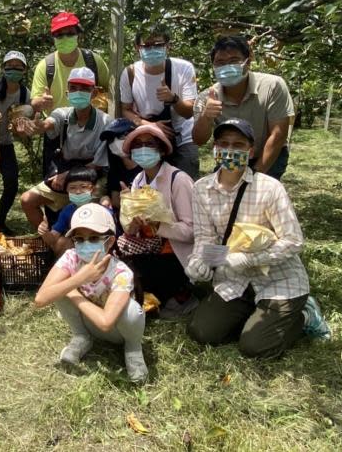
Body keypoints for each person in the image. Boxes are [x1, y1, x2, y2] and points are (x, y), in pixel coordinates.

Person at [185, 118, 330, 358]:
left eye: (238, 145)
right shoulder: (201, 188)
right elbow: (204, 236)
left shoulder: (270, 188)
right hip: (234, 279)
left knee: (254, 347)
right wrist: (197, 261)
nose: (230, 150)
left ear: (251, 151)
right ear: (214, 147)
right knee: (202, 333)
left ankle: (305, 315)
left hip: (278, 279)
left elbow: (293, 241)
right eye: (223, 143)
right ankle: (255, 315)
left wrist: (250, 259)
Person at [35, 203, 148, 383]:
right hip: (87, 323)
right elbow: (40, 299)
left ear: (110, 241)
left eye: (94, 238)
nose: (85, 244)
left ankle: (133, 349)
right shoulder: (71, 257)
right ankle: (81, 337)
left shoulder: (121, 272)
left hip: (117, 331)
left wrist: (72, 291)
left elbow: (106, 323)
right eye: (79, 239)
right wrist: (78, 279)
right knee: (58, 290)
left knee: (133, 311)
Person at [118, 124, 197, 318]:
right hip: (148, 248)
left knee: (147, 300)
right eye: (138, 145)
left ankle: (182, 294)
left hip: (174, 253)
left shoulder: (178, 180)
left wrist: (158, 225)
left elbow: (192, 231)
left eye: (149, 144)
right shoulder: (138, 180)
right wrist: (132, 220)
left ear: (161, 150)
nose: (143, 149)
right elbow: (131, 227)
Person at [192, 35, 294, 180]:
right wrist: (206, 116)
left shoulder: (273, 86)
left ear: (248, 61)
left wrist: (255, 175)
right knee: (226, 196)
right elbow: (198, 140)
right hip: (231, 154)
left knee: (259, 196)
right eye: (220, 62)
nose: (227, 67)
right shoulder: (207, 97)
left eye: (234, 60)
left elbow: (278, 135)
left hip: (268, 153)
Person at [21, 67, 111, 229]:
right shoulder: (62, 114)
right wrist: (38, 126)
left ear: (94, 92)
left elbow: (98, 164)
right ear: (67, 92)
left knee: (86, 217)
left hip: (92, 177)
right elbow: (49, 123)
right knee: (27, 200)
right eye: (74, 88)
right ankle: (50, 239)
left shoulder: (105, 122)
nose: (78, 92)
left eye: (84, 88)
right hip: (65, 171)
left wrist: (66, 176)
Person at [30, 12, 111, 176]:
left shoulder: (93, 61)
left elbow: (109, 90)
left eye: (69, 33)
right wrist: (41, 102)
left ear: (78, 35)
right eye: (59, 35)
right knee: (53, 178)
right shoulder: (46, 65)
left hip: (90, 126)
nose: (64, 38)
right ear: (53, 38)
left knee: (90, 179)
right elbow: (34, 101)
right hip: (57, 128)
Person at [120, 24, 199, 179]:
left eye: (158, 45)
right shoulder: (130, 73)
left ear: (167, 46)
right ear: (137, 47)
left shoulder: (183, 68)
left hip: (181, 135)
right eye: (147, 45)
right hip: (149, 135)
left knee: (185, 181)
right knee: (151, 185)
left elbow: (189, 112)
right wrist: (150, 125)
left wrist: (173, 99)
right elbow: (125, 109)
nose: (152, 49)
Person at [0, 51, 31, 234]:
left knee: (12, 183)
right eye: (10, 66)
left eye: (19, 67)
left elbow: (24, 124)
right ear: (3, 68)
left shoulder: (25, 94)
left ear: (24, 70)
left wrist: (22, 130)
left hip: (6, 142)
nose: (14, 70)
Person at [37, 166, 101, 256]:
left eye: (83, 187)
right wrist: (44, 232)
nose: (78, 191)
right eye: (72, 188)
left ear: (93, 189)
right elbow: (53, 239)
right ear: (67, 191)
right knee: (62, 243)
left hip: (98, 249)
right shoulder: (67, 211)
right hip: (77, 250)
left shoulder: (101, 208)